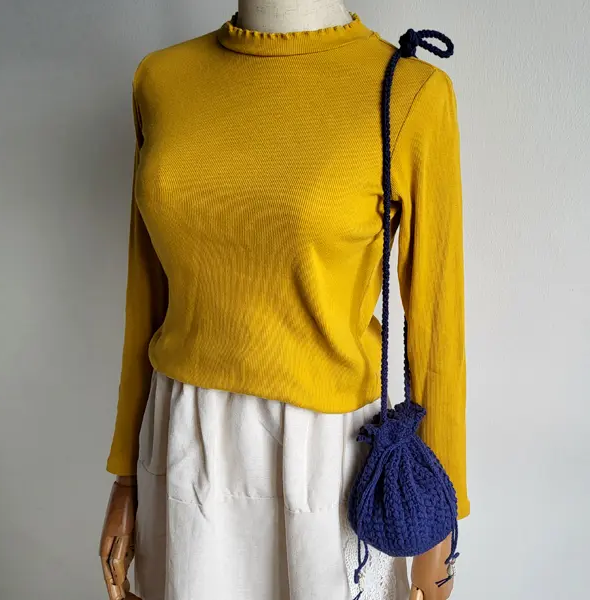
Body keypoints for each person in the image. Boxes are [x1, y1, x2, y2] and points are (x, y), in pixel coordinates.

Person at [99, 4, 469, 600]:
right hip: (182, 434)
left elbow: (437, 321)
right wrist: (125, 475)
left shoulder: (409, 92)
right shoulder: (161, 80)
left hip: (327, 455)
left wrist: (438, 525)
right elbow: (145, 290)